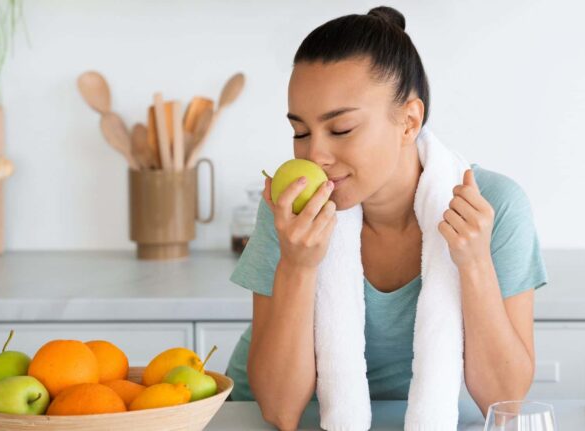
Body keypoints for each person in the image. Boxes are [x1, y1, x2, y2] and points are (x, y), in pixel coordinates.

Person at [225, 6, 548, 430]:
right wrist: (297, 265)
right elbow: (280, 411)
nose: (315, 156)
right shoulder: (291, 209)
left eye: (340, 129)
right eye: (300, 132)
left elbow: (504, 398)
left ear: (409, 121)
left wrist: (474, 264)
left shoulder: (493, 206)